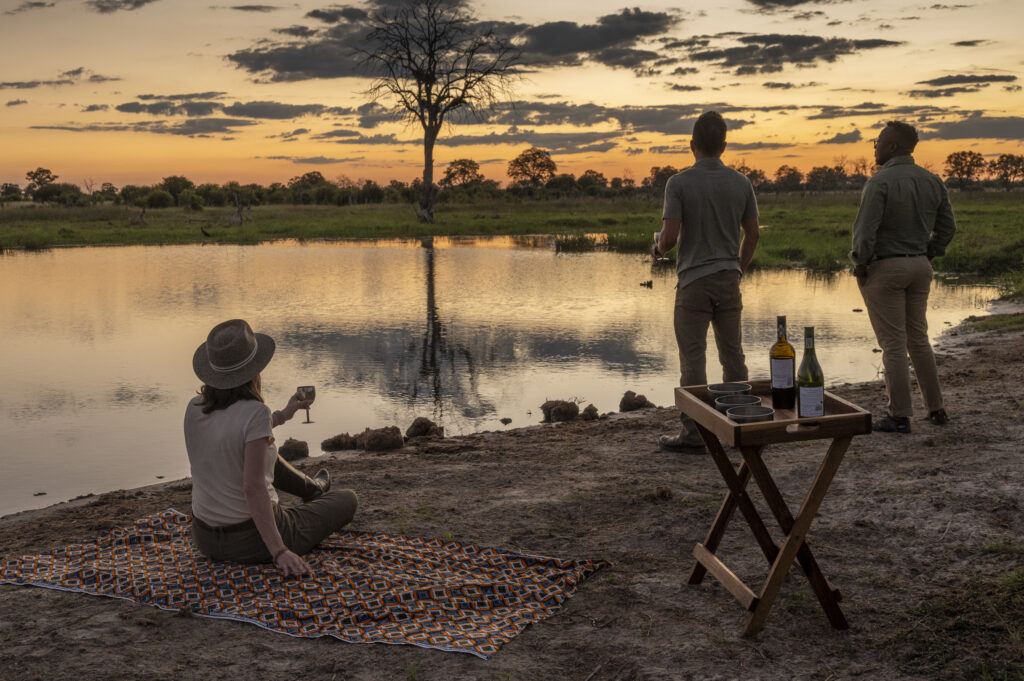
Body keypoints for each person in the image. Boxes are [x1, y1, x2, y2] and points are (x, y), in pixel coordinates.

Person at [184, 318, 358, 575]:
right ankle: (312, 492)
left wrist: (284, 414)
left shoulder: (194, 407)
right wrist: (279, 551)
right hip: (251, 543)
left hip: (205, 539)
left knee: (263, 451)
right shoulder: (255, 412)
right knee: (347, 499)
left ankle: (311, 488)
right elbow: (252, 487)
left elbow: (235, 433)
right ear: (254, 370)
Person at [653, 111, 761, 451]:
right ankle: (743, 424)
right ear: (724, 145)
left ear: (692, 146)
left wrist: (657, 246)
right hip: (729, 279)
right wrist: (738, 268)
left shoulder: (679, 183)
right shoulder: (741, 182)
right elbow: (753, 234)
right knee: (733, 356)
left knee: (693, 360)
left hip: (693, 283)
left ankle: (694, 434)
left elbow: (669, 237)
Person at [850, 120, 956, 434]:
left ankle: (899, 415)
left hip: (886, 268)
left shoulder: (879, 182)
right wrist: (930, 251)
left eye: (879, 140)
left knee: (893, 345)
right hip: (920, 266)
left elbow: (865, 233)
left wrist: (860, 264)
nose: (875, 145)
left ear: (894, 146)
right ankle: (936, 409)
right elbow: (948, 228)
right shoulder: (932, 180)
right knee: (919, 340)